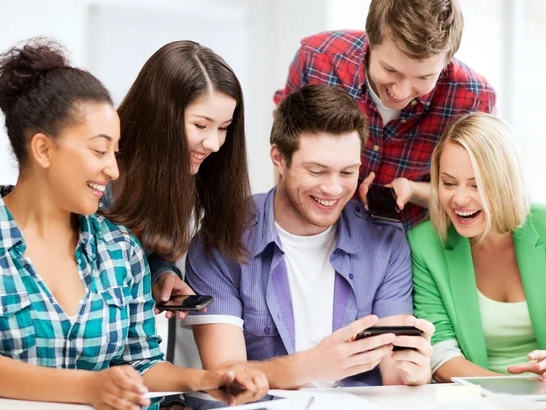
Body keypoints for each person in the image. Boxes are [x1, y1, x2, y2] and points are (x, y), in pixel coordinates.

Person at [0, 38, 267, 409]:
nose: (114, 169)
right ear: (44, 149)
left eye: (115, 152)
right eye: (100, 151)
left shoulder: (120, 248)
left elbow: (141, 363)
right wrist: (89, 388)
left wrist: (210, 379)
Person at [184, 84, 435, 389]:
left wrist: (413, 372)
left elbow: (393, 373)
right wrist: (312, 366)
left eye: (347, 173)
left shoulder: (386, 242)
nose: (333, 189)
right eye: (317, 171)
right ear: (278, 158)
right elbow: (224, 377)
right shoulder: (221, 238)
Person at [274, 0, 496, 230]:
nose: (400, 92)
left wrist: (412, 190)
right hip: (317, 231)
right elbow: (286, 152)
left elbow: (482, 194)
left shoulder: (474, 98)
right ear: (370, 40)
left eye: (423, 78)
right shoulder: (316, 59)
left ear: (447, 60)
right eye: (391, 70)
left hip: (413, 241)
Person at [103, 40, 251, 318]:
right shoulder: (98, 178)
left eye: (224, 128)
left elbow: (147, 256)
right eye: (200, 125)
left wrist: (161, 275)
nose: (214, 144)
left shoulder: (183, 174)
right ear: (160, 115)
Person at [408, 112, 546, 382]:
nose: (459, 199)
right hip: (476, 399)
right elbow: (441, 355)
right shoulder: (425, 244)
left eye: (477, 185)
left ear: (504, 183)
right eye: (448, 183)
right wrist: (512, 392)